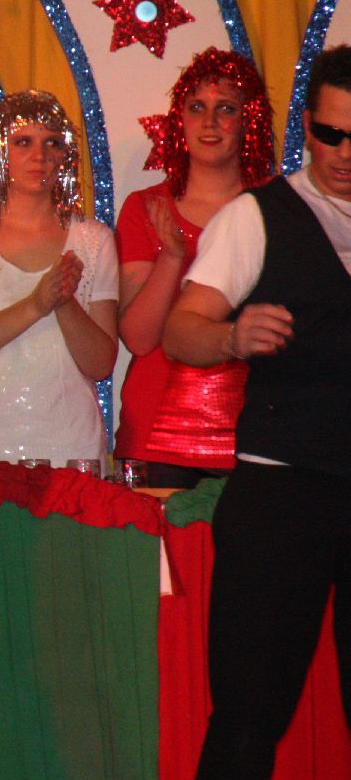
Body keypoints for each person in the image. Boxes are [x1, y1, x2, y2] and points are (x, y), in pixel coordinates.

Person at [165, 43, 351, 780]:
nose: (344, 152)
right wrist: (231, 337)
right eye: (331, 133)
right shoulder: (257, 214)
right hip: (282, 487)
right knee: (248, 715)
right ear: (305, 127)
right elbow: (180, 329)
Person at [0, 90, 119, 468]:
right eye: (23, 142)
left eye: (52, 143)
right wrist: (36, 304)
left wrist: (64, 302)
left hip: (71, 447)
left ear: (66, 155)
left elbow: (101, 364)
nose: (40, 155)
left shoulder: (94, 239)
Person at [115, 49, 275, 487]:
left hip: (255, 435)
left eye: (227, 109)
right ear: (179, 120)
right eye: (197, 107)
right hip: (154, 440)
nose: (210, 122)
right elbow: (138, 338)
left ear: (249, 121)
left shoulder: (278, 208)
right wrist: (171, 258)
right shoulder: (145, 207)